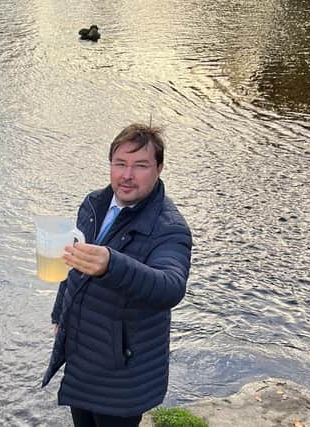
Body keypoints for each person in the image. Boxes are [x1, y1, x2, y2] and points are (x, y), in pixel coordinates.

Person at [42, 123, 192, 427]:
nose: (127, 175)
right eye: (120, 164)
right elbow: (72, 265)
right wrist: (60, 316)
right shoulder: (93, 204)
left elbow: (170, 287)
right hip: (83, 357)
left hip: (124, 374)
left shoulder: (169, 227)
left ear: (159, 168)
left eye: (140, 166)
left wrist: (111, 264)